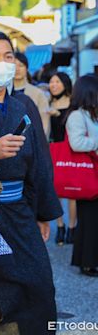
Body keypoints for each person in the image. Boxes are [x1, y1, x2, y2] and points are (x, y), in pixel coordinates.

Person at [0, 31, 62, 335]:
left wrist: (43, 213)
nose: (3, 63)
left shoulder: (24, 106)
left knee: (37, 287)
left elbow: (40, 163)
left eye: (8, 56)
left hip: (19, 212)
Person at [66, 74, 98, 277]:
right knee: (89, 220)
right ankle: (87, 262)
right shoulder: (78, 116)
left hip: (94, 172)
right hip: (88, 174)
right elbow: (76, 143)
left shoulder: (92, 114)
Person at [48, 72, 76, 245]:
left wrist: (58, 115)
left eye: (57, 81)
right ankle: (60, 226)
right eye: (51, 81)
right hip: (52, 150)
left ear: (65, 84)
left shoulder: (73, 104)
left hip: (70, 150)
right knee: (55, 190)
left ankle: (72, 227)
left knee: (72, 191)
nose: (53, 84)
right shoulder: (48, 103)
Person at [13, 52, 50, 137]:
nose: (17, 69)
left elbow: (44, 121)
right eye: (14, 65)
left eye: (21, 65)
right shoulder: (3, 92)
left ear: (26, 68)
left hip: (32, 140)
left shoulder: (37, 93)